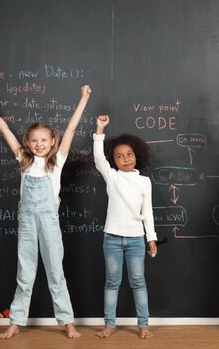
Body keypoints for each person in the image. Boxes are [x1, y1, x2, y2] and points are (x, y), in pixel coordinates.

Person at [0, 85, 91, 339]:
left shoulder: (57, 160)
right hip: (27, 222)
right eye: (34, 140)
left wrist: (83, 98)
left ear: (52, 141)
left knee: (55, 272)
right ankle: (16, 321)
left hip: (49, 222)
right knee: (25, 272)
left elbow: (71, 127)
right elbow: (4, 129)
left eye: (44, 140)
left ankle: (67, 322)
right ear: (27, 143)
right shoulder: (23, 159)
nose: (39, 145)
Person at [93, 114, 157, 339]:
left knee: (138, 282)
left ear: (136, 155)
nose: (126, 159)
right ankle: (109, 324)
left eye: (129, 154)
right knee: (112, 282)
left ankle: (144, 325)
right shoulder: (112, 177)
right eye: (120, 156)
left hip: (136, 240)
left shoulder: (144, 182)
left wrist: (152, 238)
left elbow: (147, 212)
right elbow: (98, 158)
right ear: (114, 160)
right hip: (111, 238)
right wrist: (99, 130)